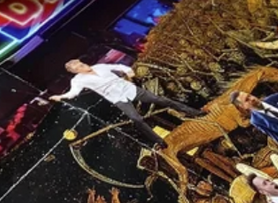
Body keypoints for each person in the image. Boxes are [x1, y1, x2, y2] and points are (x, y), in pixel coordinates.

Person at [40, 60, 203, 147]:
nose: (83, 66)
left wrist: (129, 72)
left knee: (162, 100)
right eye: (79, 67)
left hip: (130, 89)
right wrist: (61, 97)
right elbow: (73, 93)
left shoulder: (100, 66)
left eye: (82, 63)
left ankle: (194, 112)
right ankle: (158, 141)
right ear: (76, 71)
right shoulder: (78, 80)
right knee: (136, 119)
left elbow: (119, 66)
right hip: (117, 98)